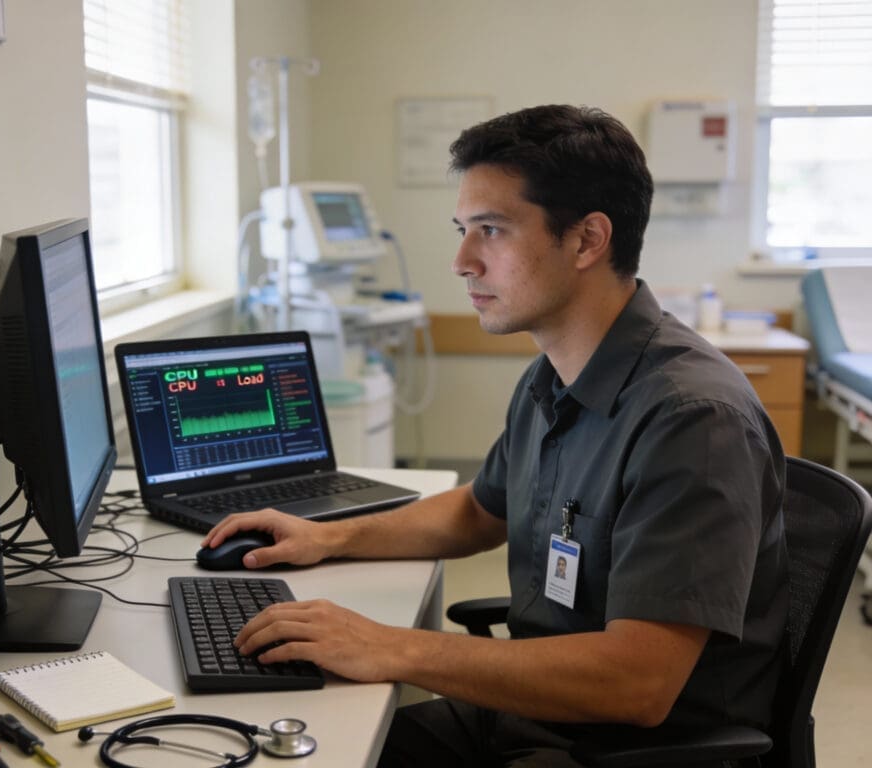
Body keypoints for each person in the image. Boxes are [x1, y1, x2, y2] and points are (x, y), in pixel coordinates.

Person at [202, 104, 789, 766]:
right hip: (535, 716)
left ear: (588, 240)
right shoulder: (557, 373)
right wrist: (328, 537)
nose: (461, 261)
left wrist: (393, 645)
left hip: (627, 747)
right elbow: (482, 509)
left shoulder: (691, 419)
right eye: (463, 229)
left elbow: (639, 683)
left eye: (492, 231)